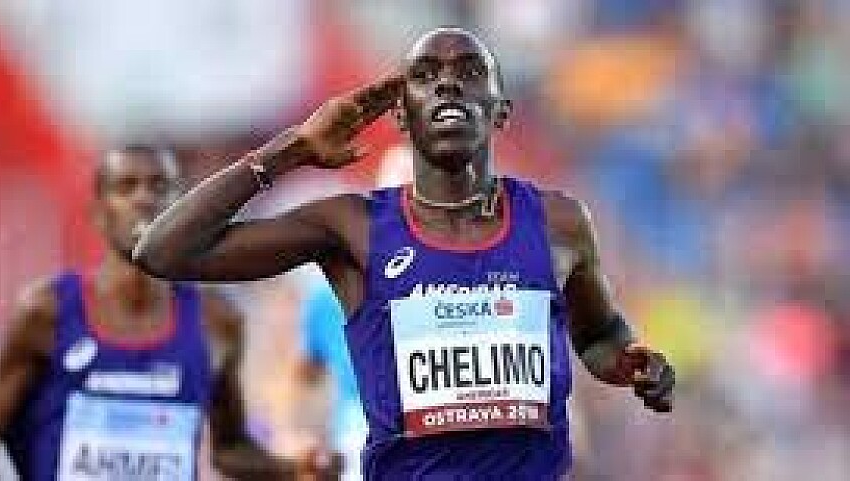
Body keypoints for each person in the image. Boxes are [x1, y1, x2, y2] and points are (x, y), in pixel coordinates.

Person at [131, 27, 675, 480]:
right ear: (401, 115)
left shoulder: (559, 223)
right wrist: (292, 149)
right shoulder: (354, 228)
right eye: (426, 75)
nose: (448, 85)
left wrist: (630, 360)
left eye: (469, 71)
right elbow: (163, 251)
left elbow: (599, 337)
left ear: (501, 111)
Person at [0, 146, 336, 480]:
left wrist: (295, 469)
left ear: (184, 208)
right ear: (99, 213)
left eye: (159, 186)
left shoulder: (216, 320)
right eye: (126, 187)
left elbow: (229, 448)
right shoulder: (48, 312)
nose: (143, 199)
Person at [296, 276, 368, 481]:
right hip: (394, 413)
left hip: (353, 421)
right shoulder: (393, 282)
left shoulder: (319, 299)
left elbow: (309, 371)